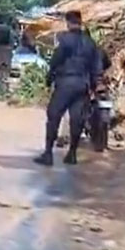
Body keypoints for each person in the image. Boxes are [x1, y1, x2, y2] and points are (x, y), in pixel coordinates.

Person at [34, 10, 104, 167]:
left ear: (68, 22)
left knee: (54, 115)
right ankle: (72, 154)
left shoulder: (64, 39)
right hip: (82, 85)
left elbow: (56, 59)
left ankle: (48, 154)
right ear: (80, 22)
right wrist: (94, 85)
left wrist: (49, 77)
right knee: (77, 119)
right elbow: (97, 66)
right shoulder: (90, 43)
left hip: (66, 82)